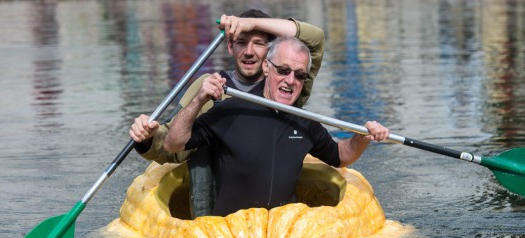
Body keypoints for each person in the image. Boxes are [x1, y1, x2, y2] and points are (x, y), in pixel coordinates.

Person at [162, 36, 389, 217]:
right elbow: (174, 143)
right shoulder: (229, 111)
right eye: (283, 70)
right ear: (267, 68)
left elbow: (340, 156)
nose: (290, 80)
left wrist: (362, 137)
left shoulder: (304, 121)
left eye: (300, 76)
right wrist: (199, 99)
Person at [130, 10, 324, 217]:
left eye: (259, 43)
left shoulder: (289, 83)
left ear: (270, 53)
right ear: (230, 46)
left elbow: (315, 39)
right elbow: (171, 146)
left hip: (280, 220)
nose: (249, 51)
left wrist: (248, 23)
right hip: (219, 219)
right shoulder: (208, 87)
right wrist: (147, 138)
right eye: (241, 42)